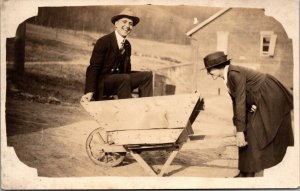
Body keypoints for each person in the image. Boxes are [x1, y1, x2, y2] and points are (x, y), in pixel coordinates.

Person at [202, 51, 294, 177]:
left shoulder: (234, 74)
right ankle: (245, 171)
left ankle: (250, 172)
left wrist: (240, 130)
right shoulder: (228, 76)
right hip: (262, 97)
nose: (208, 73)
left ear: (218, 67)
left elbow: (240, 101)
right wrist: (237, 125)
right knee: (246, 131)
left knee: (253, 131)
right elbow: (236, 101)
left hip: (272, 94)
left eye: (209, 69)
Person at [81, 8, 153, 102]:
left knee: (147, 75)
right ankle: (127, 107)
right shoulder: (104, 41)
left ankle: (146, 105)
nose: (127, 26)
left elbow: (126, 70)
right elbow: (93, 68)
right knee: (124, 78)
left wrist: (134, 80)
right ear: (116, 24)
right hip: (103, 83)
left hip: (121, 80)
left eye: (130, 23)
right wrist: (89, 92)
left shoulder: (127, 45)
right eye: (124, 22)